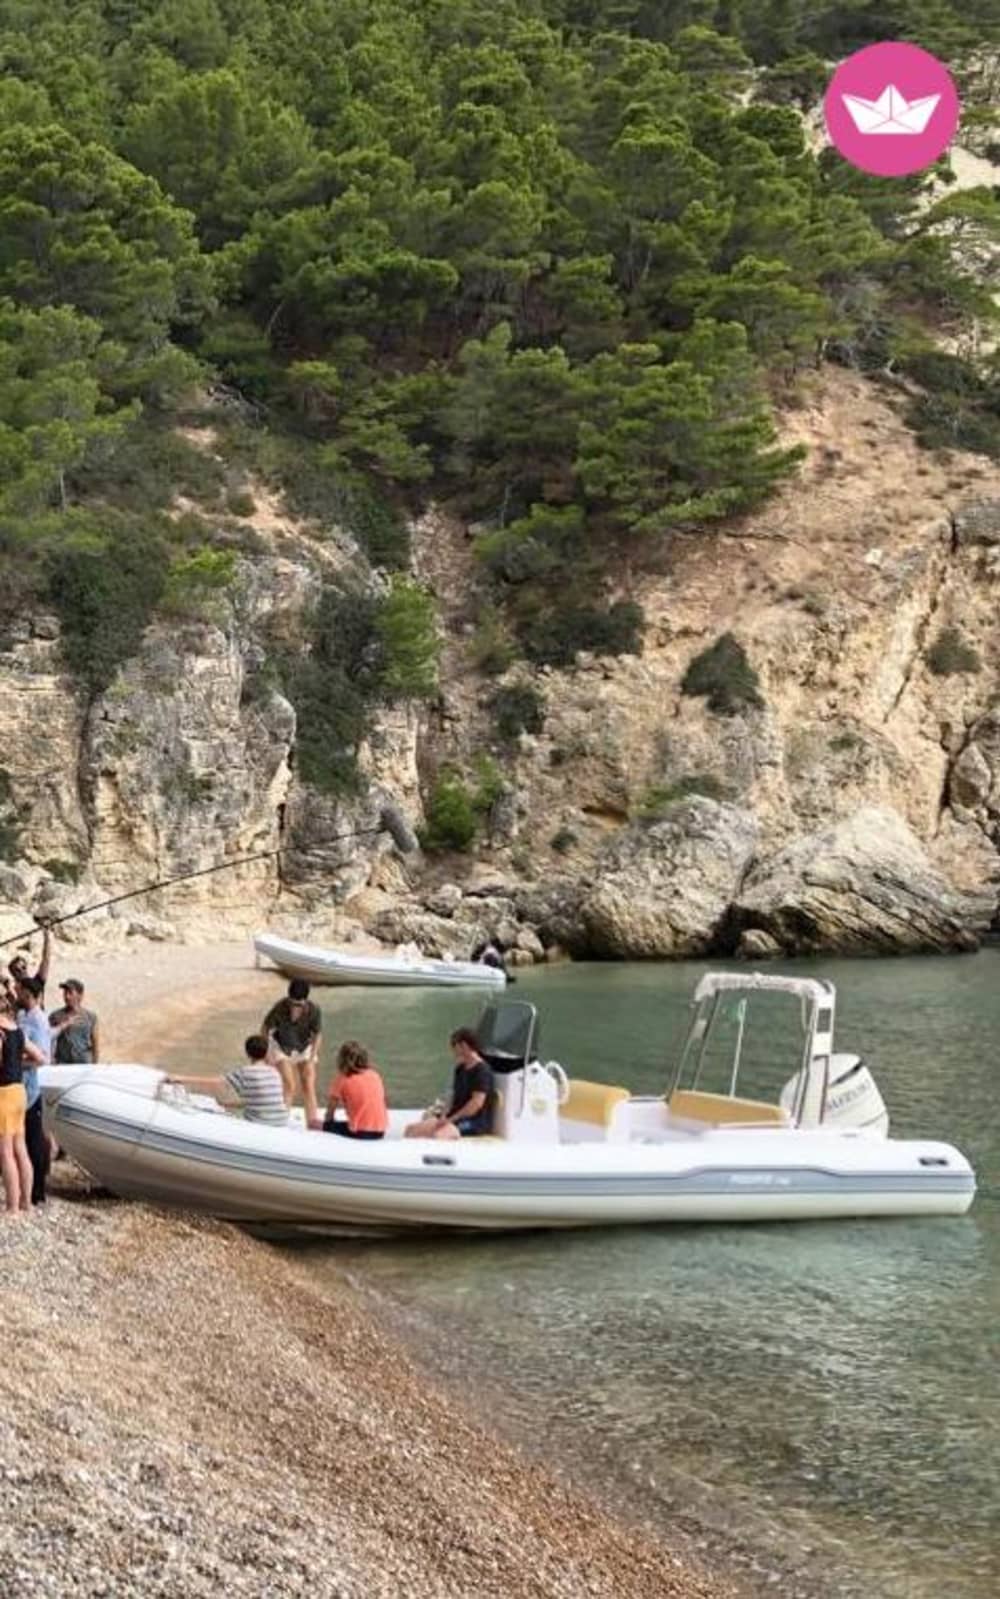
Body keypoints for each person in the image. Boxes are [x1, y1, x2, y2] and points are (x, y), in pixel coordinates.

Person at [165, 1035, 289, 1126]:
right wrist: (227, 1105)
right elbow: (260, 1101)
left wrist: (180, 1078)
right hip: (281, 1121)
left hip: (261, 1123)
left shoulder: (245, 1072)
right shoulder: (274, 1073)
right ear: (266, 1053)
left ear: (248, 1054)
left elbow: (216, 1082)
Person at [404, 1027, 495, 1140]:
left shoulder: (482, 1071)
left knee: (439, 1135)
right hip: (454, 1117)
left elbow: (476, 1104)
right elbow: (453, 1097)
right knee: (411, 1131)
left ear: (464, 1045)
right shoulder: (460, 1069)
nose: (453, 1050)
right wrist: (444, 1115)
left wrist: (451, 1119)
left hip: (474, 1122)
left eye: (454, 1046)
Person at [0, 1000, 45, 1214]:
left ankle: (12, 1206)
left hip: (4, 1094)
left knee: (6, 1152)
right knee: (21, 1148)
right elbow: (40, 1057)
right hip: (20, 1091)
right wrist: (18, 1062)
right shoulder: (17, 1031)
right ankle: (25, 1202)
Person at [262, 979, 322, 1129]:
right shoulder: (280, 1007)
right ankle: (281, 1123)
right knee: (289, 1084)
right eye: (292, 1003)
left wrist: (311, 1060)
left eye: (299, 1005)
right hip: (282, 1046)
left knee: (308, 1083)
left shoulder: (314, 1010)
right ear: (289, 999)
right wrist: (267, 1053)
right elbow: (265, 1028)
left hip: (304, 1047)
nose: (295, 1008)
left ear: (305, 1001)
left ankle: (312, 1123)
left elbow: (318, 1035)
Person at [16, 975, 51, 1205]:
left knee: (34, 1141)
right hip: (18, 1086)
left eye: (22, 993)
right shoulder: (21, 1016)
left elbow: (42, 1058)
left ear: (32, 996)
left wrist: (15, 1062)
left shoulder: (39, 1020)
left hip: (32, 1089)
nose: (18, 995)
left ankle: (38, 1191)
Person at [323, 1041, 387, 1141]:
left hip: (359, 1133)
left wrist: (327, 1125)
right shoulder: (375, 1075)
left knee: (315, 1124)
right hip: (380, 1131)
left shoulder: (342, 1079)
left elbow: (329, 1113)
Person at [49, 978, 100, 1065]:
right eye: (65, 993)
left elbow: (95, 1044)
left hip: (84, 1064)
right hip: (63, 1064)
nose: (67, 997)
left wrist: (94, 1065)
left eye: (70, 993)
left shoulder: (91, 1017)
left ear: (80, 995)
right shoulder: (55, 1016)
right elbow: (49, 1038)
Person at [5, 922, 51, 1010]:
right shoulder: (13, 991)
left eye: (23, 967)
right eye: (17, 970)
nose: (22, 971)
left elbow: (46, 959)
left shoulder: (37, 982)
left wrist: (47, 935)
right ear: (13, 974)